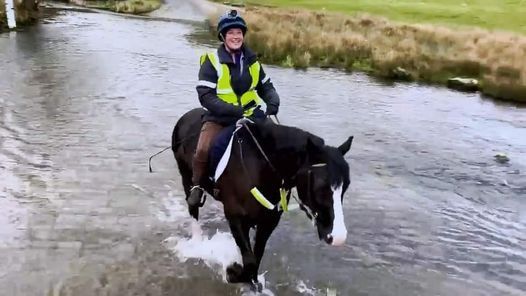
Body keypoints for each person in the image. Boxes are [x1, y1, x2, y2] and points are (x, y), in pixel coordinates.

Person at [187, 9, 281, 209]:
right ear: (222, 35)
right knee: (203, 148)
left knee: (279, 141)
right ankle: (197, 186)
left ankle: (281, 185)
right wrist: (233, 110)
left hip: (252, 114)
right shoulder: (211, 61)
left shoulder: (252, 60)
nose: (235, 36)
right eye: (231, 33)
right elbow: (206, 96)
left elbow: (266, 86)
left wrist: (273, 101)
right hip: (219, 118)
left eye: (239, 32)